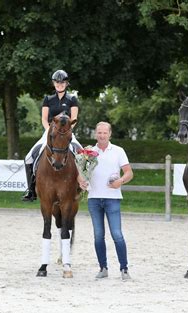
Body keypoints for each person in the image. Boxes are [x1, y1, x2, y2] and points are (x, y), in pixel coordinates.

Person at [79, 122, 134, 280]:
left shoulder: (118, 151)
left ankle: (124, 268)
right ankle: (103, 268)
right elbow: (80, 172)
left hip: (113, 199)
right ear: (95, 134)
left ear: (110, 134)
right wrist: (80, 181)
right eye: (99, 133)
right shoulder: (88, 152)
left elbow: (129, 172)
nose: (102, 135)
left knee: (117, 234)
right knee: (98, 235)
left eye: (105, 133)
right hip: (94, 199)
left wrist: (120, 181)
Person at [21, 69, 82, 202]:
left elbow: (74, 118)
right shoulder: (48, 99)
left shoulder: (72, 99)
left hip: (67, 133)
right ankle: (31, 190)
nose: (59, 85)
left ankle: (81, 186)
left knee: (83, 156)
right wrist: (50, 132)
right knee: (28, 158)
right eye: (57, 83)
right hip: (50, 132)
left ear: (66, 84)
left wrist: (65, 132)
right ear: (54, 84)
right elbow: (44, 118)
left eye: (62, 83)